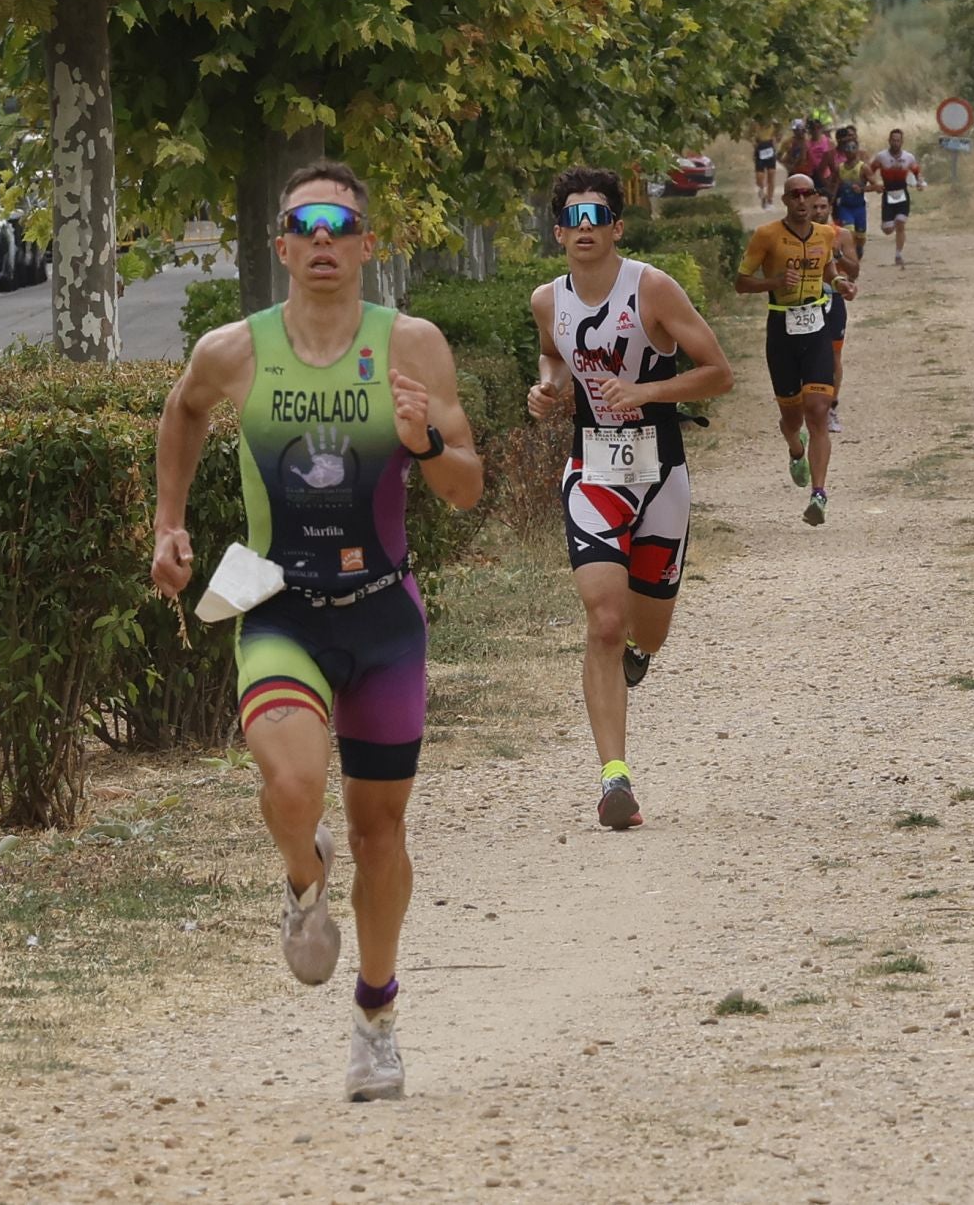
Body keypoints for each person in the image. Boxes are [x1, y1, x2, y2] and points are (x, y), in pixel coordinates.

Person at [150, 159, 484, 1103]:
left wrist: (423, 442)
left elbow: (466, 488)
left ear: (369, 245)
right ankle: (303, 880)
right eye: (308, 225)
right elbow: (183, 410)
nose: (325, 239)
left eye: (342, 225)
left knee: (381, 835)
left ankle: (376, 1018)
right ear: (282, 246)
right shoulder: (234, 351)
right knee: (292, 783)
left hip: (383, 614)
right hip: (279, 607)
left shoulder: (412, 345)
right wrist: (168, 524)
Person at [526, 168, 734, 830]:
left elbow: (719, 373)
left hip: (660, 471)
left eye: (598, 216)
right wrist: (547, 387)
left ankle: (640, 655)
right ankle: (614, 778)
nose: (585, 227)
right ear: (558, 232)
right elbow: (553, 356)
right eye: (573, 217)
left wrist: (646, 392)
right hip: (592, 470)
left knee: (649, 630)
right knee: (605, 621)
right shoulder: (547, 300)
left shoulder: (652, 289)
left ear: (618, 227)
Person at [735, 174, 854, 526]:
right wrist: (773, 282)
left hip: (816, 327)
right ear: (786, 200)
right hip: (781, 329)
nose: (802, 201)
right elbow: (741, 283)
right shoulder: (767, 235)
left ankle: (819, 494)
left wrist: (839, 282)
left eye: (807, 194)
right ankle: (795, 447)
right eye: (795, 195)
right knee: (792, 419)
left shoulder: (826, 234)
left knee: (818, 409)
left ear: (815, 198)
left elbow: (828, 269)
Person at [809, 189, 862, 433]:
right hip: (806, 300)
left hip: (833, 299)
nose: (819, 211)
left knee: (834, 355)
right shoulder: (798, 234)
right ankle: (809, 405)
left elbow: (854, 270)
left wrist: (837, 254)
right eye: (815, 207)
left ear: (830, 208)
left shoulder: (842, 235)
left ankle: (831, 406)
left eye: (823, 207)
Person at [868, 128, 926, 266]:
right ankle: (890, 224)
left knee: (900, 223)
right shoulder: (881, 156)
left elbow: (917, 171)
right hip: (888, 193)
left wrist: (919, 182)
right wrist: (874, 185)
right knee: (888, 229)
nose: (895, 143)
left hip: (902, 193)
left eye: (898, 140)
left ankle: (898, 254)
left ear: (902, 142)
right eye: (893, 140)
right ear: (889, 141)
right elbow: (870, 171)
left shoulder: (908, 157)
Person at [831, 127, 871, 259]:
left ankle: (858, 248)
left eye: (853, 148)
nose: (849, 151)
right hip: (845, 205)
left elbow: (876, 185)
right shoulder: (840, 168)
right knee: (849, 231)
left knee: (861, 236)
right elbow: (835, 185)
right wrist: (831, 201)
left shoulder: (863, 166)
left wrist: (862, 189)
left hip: (859, 206)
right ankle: (850, 255)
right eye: (847, 148)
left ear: (857, 149)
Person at [752, 123, 780, 208]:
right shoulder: (754, 123)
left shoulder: (773, 122)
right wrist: (754, 143)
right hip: (760, 148)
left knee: (771, 174)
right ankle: (762, 191)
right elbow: (748, 134)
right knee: (759, 177)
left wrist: (776, 141)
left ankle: (770, 200)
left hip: (770, 147)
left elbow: (779, 132)